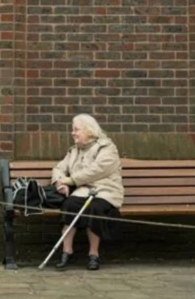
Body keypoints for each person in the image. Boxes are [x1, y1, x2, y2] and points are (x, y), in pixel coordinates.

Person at [51, 113, 123, 271]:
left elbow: (97, 170)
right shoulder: (74, 150)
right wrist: (59, 183)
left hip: (106, 191)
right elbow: (59, 168)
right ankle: (67, 252)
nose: (73, 133)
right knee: (69, 204)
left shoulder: (107, 148)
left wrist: (69, 181)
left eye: (76, 129)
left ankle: (93, 254)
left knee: (94, 209)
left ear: (89, 131)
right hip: (83, 190)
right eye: (73, 129)